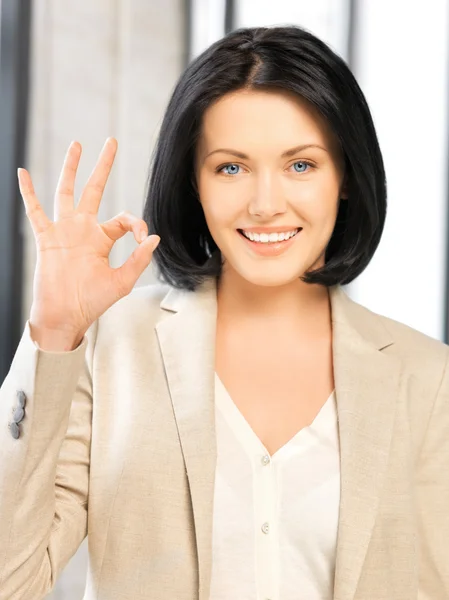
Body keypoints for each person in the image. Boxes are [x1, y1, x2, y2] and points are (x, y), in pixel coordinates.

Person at [0, 23, 447, 600]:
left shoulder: (426, 378)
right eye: (230, 167)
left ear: (345, 178)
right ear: (194, 181)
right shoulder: (111, 347)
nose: (265, 205)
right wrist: (55, 333)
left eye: (301, 165)